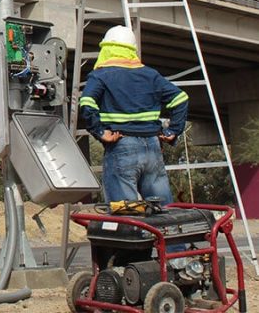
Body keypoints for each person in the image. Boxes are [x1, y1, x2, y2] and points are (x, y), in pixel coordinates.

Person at [79, 25, 188, 207]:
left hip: (122, 144)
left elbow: (86, 102)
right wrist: (173, 131)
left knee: (126, 213)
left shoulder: (100, 75)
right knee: (162, 211)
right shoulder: (151, 75)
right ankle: (165, 235)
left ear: (107, 49)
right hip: (153, 146)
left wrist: (99, 131)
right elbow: (181, 98)